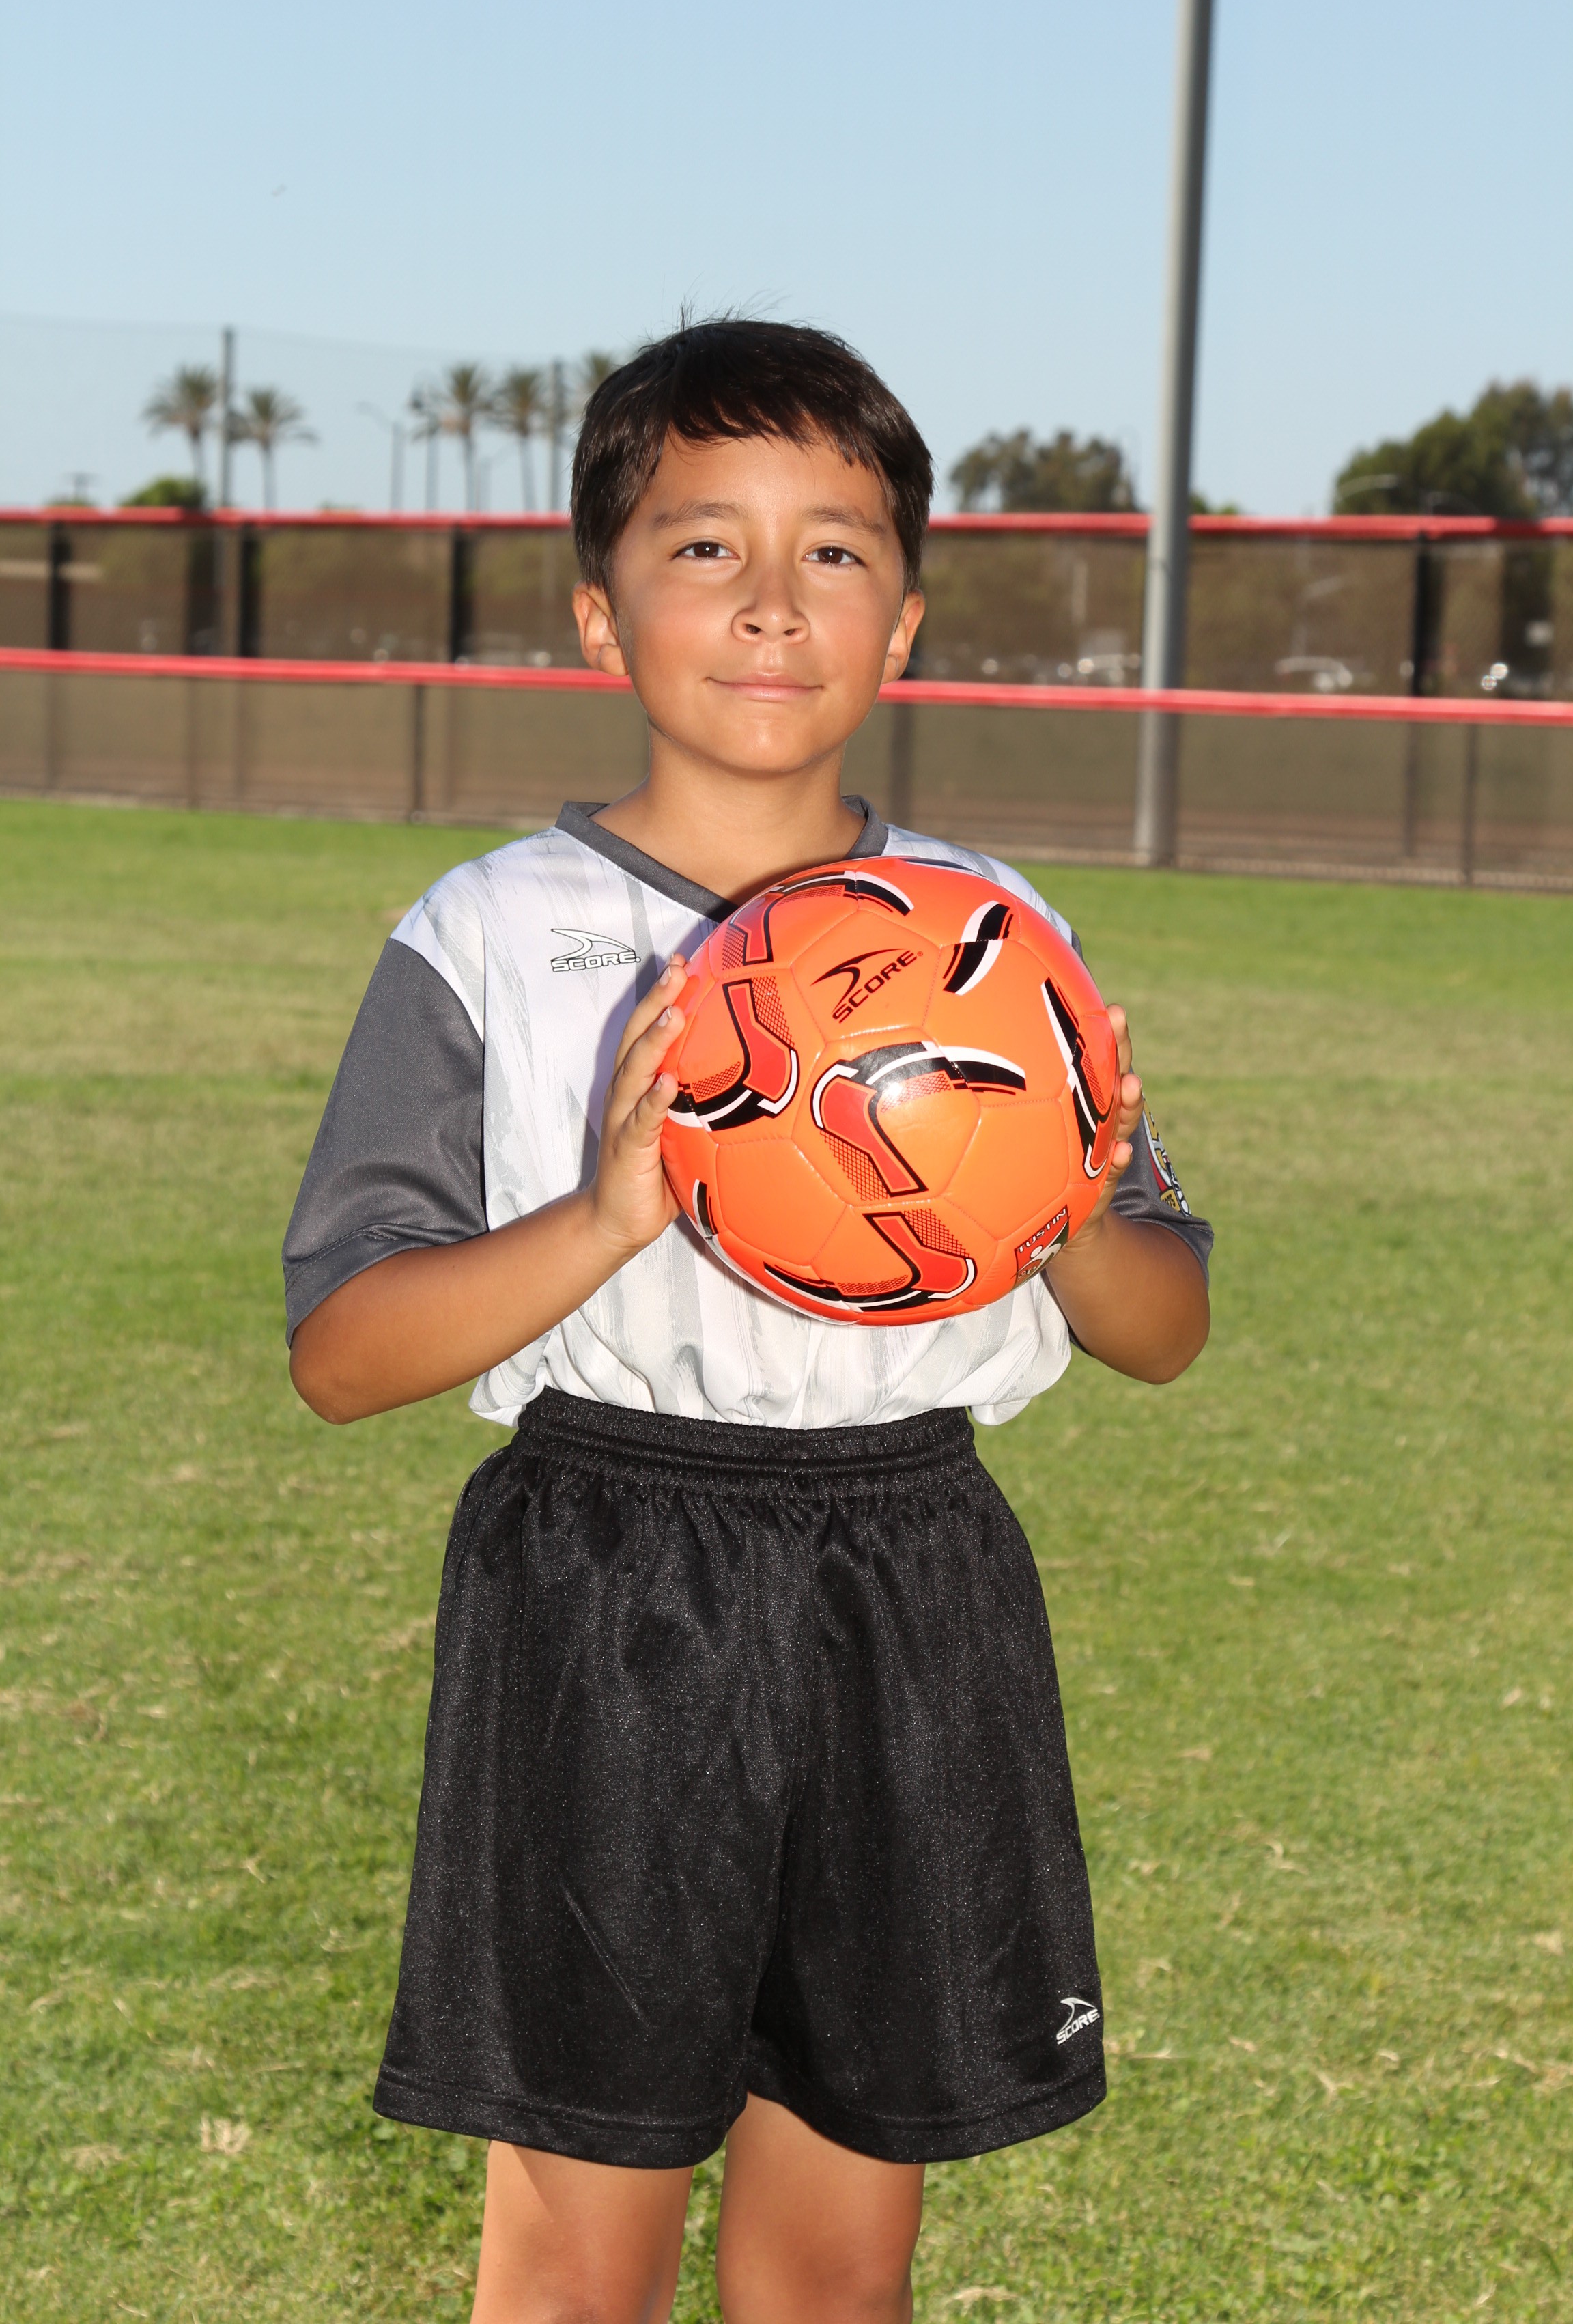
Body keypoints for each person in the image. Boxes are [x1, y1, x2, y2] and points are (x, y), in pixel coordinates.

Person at [283, 319, 1211, 2324]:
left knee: (843, 2263)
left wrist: (1061, 1188)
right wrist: (608, 1216)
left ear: (908, 620)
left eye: (837, 552)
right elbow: (344, 1354)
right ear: (599, 613)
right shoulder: (491, 938)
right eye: (706, 547)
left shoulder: (993, 940)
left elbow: (1165, 1326)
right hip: (609, 1579)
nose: (775, 603)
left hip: (917, 1571)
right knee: (575, 2257)